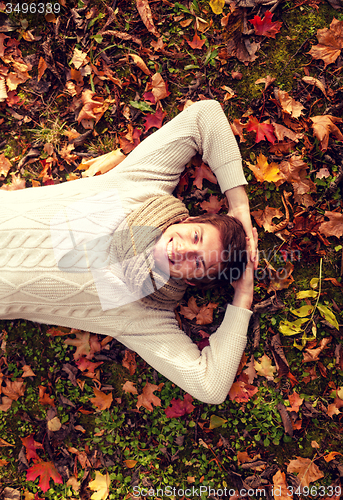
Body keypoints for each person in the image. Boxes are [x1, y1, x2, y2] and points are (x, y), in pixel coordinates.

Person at [0, 99, 257, 404]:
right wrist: (240, 205)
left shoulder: (144, 313)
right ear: (189, 220)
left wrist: (243, 296)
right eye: (196, 236)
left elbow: (210, 386)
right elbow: (205, 116)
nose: (185, 249)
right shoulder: (143, 187)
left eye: (198, 263)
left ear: (191, 282)